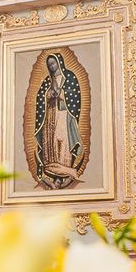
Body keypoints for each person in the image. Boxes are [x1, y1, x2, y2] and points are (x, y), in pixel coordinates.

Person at [34, 53, 84, 189]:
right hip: (50, 116)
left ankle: (65, 173)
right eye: (49, 65)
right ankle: (53, 176)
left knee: (62, 140)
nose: (51, 66)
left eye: (53, 63)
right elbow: (40, 97)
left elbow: (74, 94)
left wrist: (61, 94)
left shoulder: (69, 77)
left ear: (59, 62)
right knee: (51, 143)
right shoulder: (47, 81)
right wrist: (48, 95)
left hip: (63, 114)